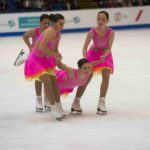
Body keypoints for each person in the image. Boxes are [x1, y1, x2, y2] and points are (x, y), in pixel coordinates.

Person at [71, 11, 115, 115]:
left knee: (106, 75)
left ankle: (101, 102)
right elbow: (85, 47)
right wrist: (86, 59)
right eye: (99, 19)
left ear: (107, 21)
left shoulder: (111, 32)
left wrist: (105, 55)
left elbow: (109, 48)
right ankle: (76, 102)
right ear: (96, 20)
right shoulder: (92, 32)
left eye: (103, 19)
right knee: (87, 78)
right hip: (93, 55)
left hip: (105, 55)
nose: (100, 21)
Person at [24, 13, 65, 120]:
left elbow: (54, 49)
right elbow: (42, 46)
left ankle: (58, 105)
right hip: (35, 60)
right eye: (61, 24)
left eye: (63, 24)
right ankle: (54, 108)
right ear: (55, 23)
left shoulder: (57, 34)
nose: (62, 26)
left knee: (54, 81)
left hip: (46, 60)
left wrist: (57, 55)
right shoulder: (50, 31)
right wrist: (53, 55)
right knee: (46, 80)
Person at [14, 14, 52, 112]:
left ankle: (47, 99)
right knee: (39, 78)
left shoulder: (50, 32)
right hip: (36, 58)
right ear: (40, 22)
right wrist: (30, 46)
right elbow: (25, 36)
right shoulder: (35, 31)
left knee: (48, 79)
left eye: (48, 23)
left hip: (46, 58)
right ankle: (39, 100)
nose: (46, 25)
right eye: (44, 23)